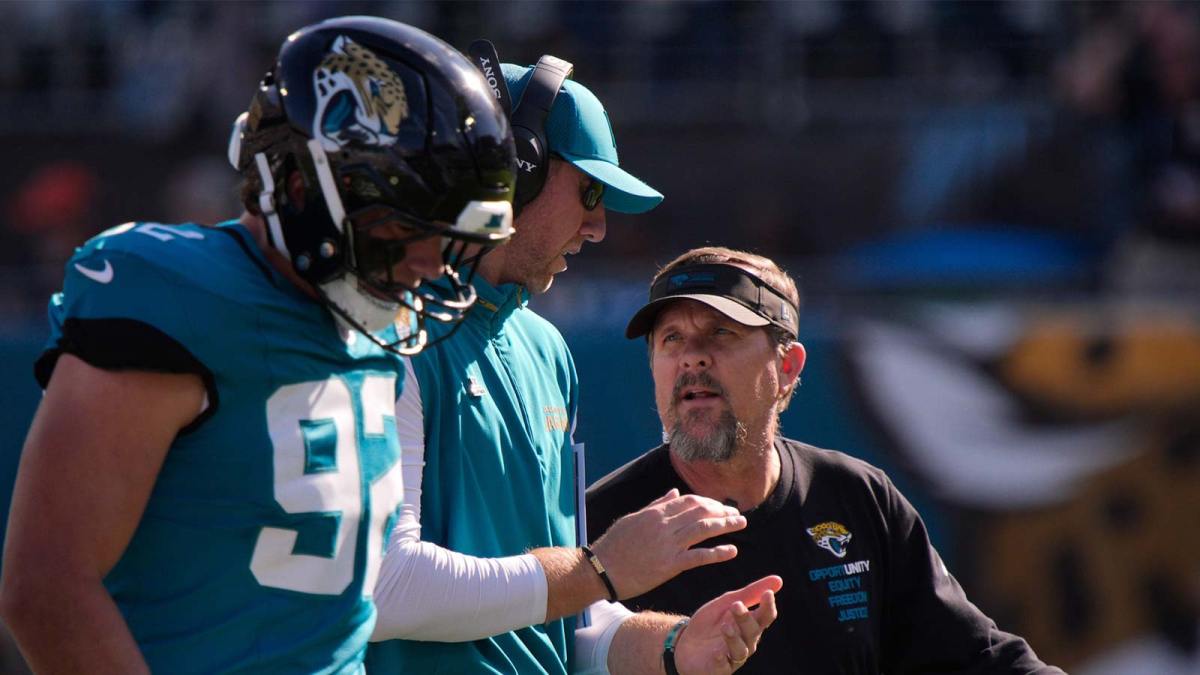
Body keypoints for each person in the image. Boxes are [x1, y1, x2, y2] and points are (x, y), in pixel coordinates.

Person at [0, 17, 518, 674]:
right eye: (399, 226)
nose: (430, 261)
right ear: (299, 187)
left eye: (442, 234)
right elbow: (47, 589)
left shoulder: (371, 321)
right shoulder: (174, 294)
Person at [365, 64, 780, 674]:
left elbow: (566, 625)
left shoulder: (548, 350)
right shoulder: (384, 332)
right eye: (589, 191)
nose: (598, 226)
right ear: (513, 170)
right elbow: (383, 588)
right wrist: (600, 568)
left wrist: (674, 647)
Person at [587, 246, 1066, 674]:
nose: (692, 357)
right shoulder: (600, 524)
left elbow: (977, 657)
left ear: (788, 367)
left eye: (721, 333)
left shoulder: (858, 496)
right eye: (671, 339)